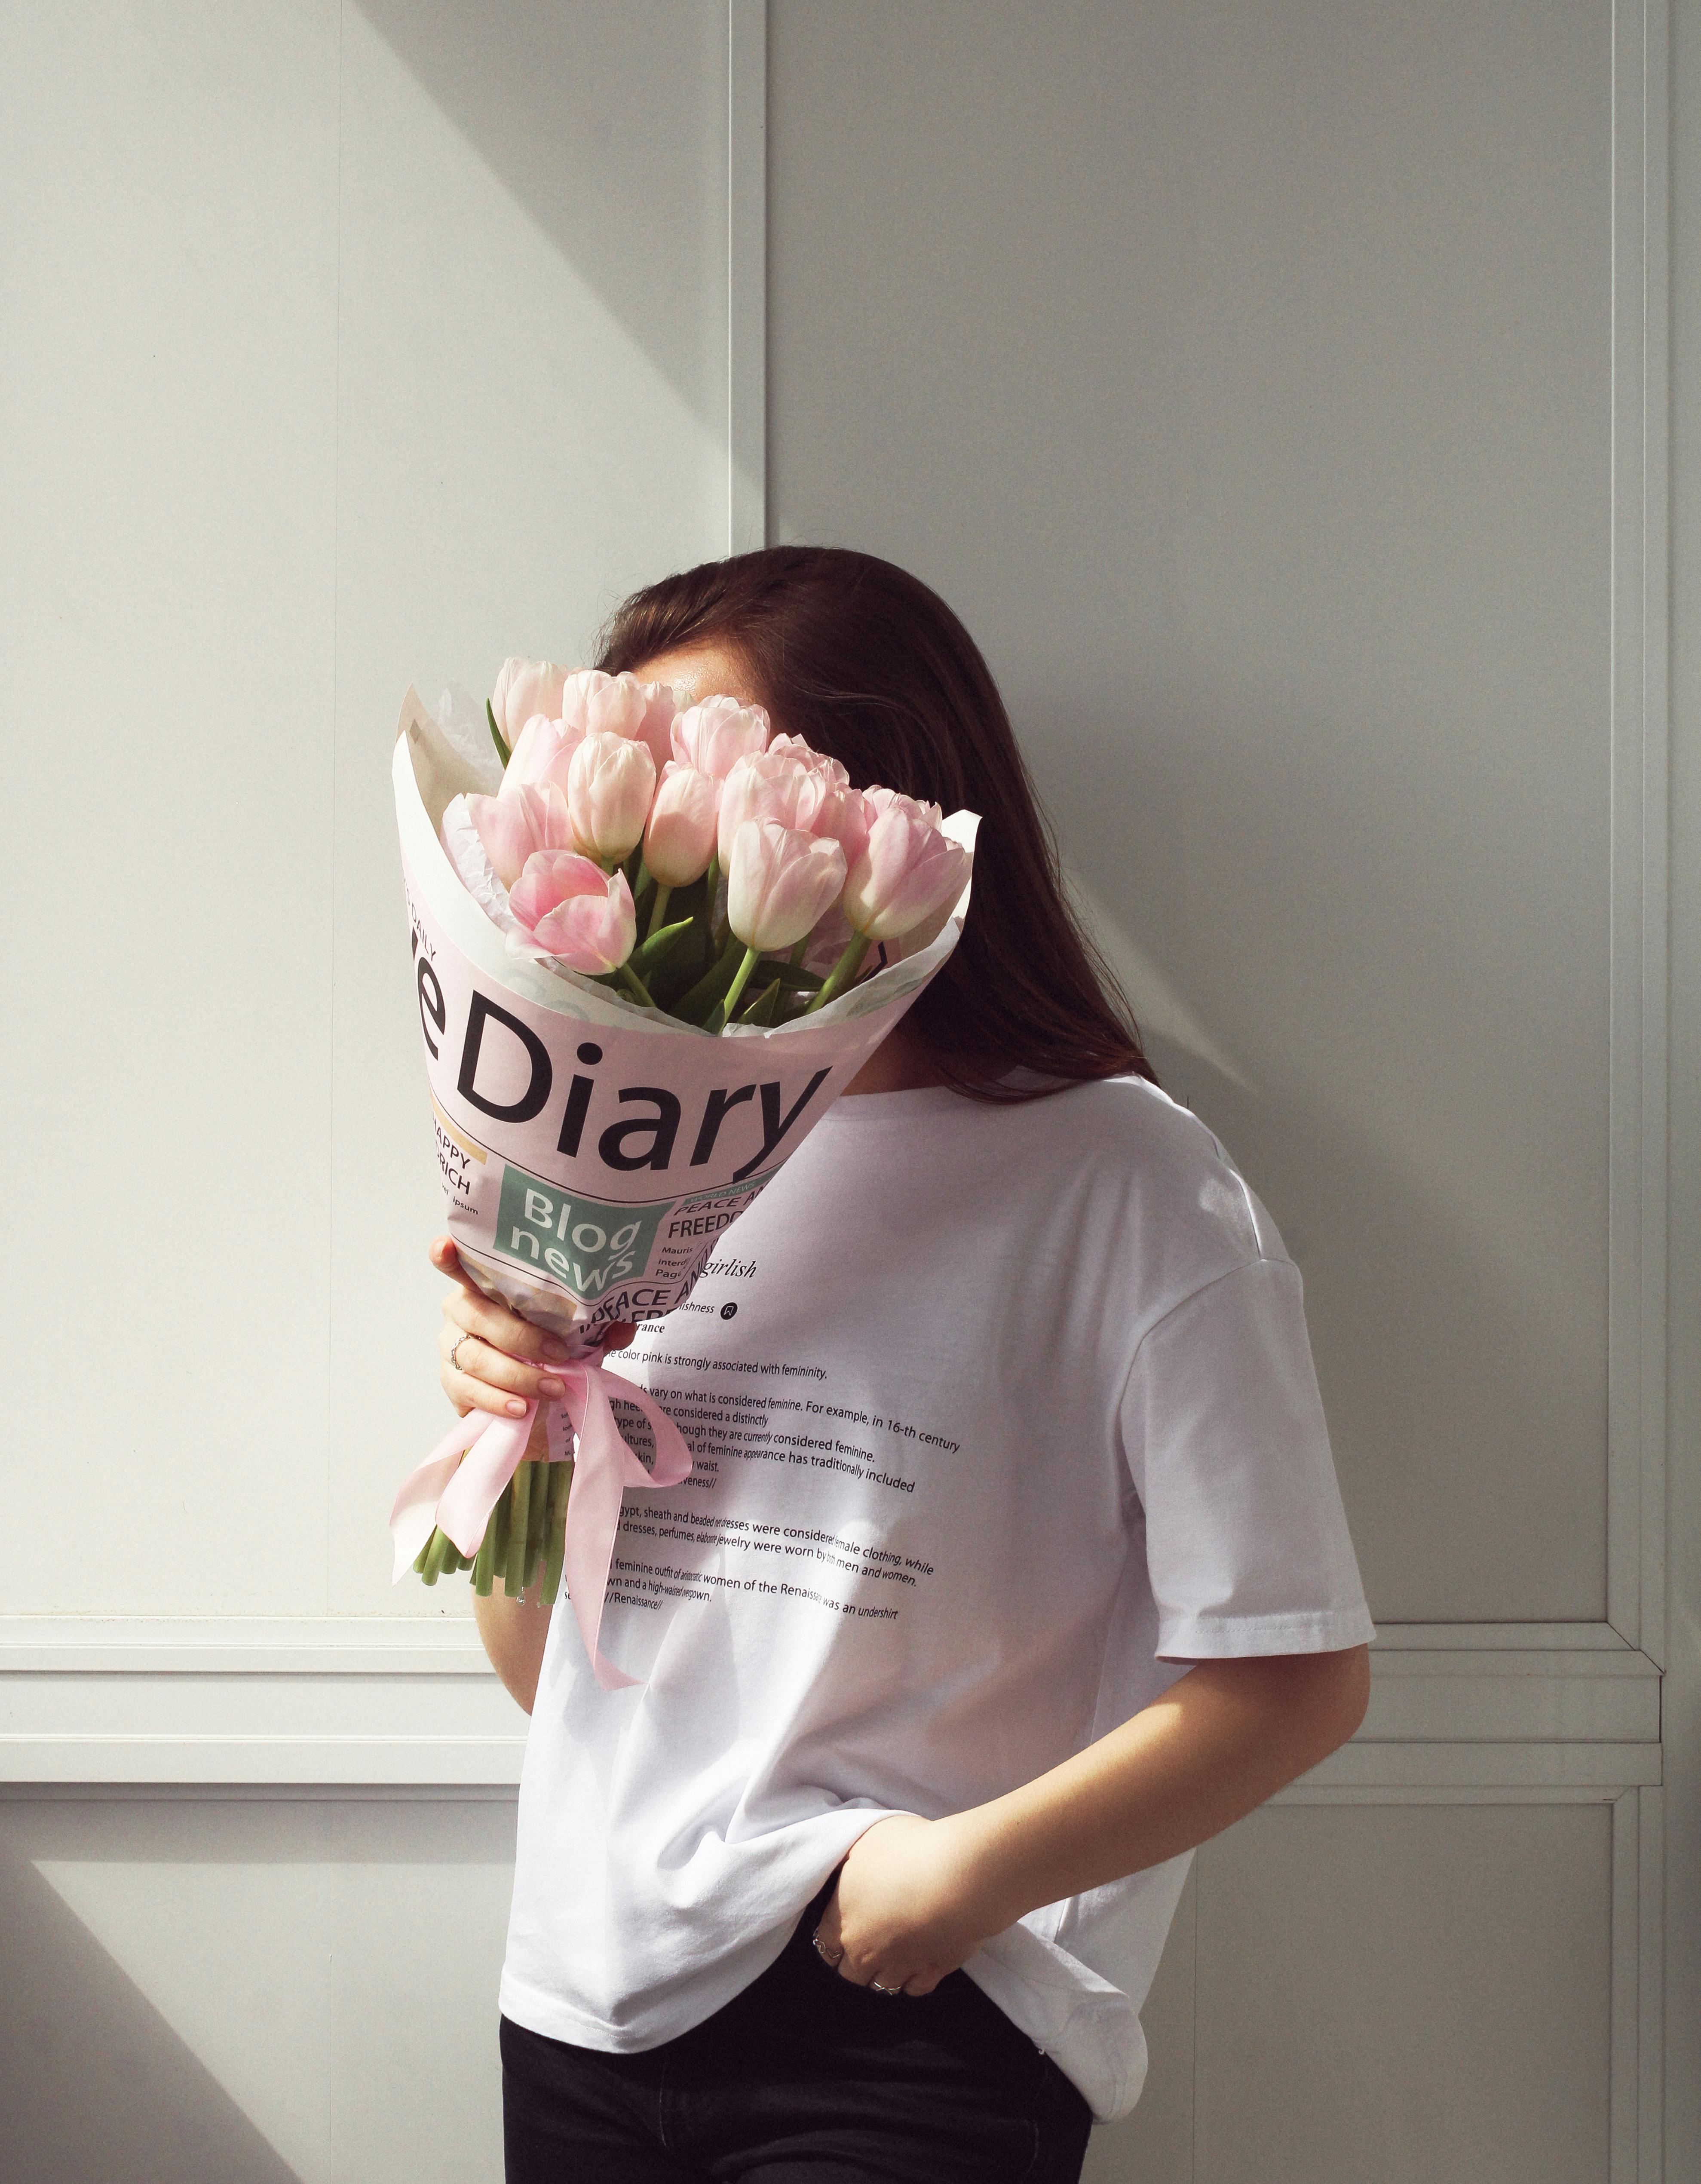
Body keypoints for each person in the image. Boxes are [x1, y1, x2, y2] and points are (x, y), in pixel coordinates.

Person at [431, 546, 1375, 2184]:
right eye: (642, 773)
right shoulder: (619, 1168)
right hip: (578, 1999)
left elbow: (1294, 1677)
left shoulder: (1125, 1183)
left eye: (720, 764)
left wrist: (965, 1880)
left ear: (890, 798)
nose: (672, 818)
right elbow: (552, 1675)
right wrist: (524, 1421)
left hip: (907, 2018)